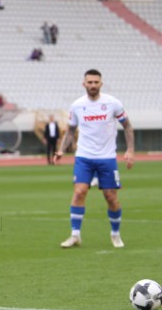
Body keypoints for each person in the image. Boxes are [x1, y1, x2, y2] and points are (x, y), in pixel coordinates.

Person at [53, 69, 134, 249]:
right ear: (84, 84)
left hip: (107, 158)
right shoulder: (77, 105)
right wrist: (61, 150)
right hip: (84, 157)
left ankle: (115, 234)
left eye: (96, 82)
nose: (93, 85)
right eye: (89, 82)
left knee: (111, 197)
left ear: (101, 84)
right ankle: (75, 235)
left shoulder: (113, 103)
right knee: (79, 192)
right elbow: (71, 130)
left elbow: (127, 126)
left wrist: (130, 150)